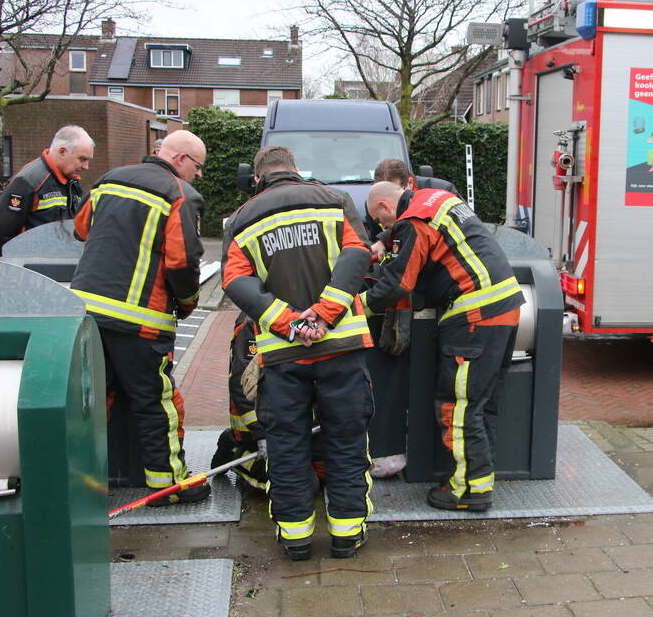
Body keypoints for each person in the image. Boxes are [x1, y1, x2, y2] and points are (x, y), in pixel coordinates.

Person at [222, 145, 374, 561]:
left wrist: (289, 322)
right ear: (295, 170)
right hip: (341, 348)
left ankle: (296, 539)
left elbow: (234, 281)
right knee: (345, 442)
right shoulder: (334, 200)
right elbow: (358, 253)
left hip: (283, 358)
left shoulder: (241, 219)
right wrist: (324, 315)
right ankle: (346, 535)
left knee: (287, 447)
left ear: (258, 177)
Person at [362, 181, 524, 512]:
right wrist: (384, 242)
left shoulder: (414, 221)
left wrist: (351, 306)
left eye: (381, 223)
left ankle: (466, 491)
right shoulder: (439, 200)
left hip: (474, 314)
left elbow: (397, 284)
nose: (385, 229)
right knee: (481, 405)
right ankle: (479, 481)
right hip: (505, 305)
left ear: (383, 207)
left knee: (458, 406)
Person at [70, 130, 209, 505]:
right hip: (140, 322)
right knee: (154, 401)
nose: (198, 175)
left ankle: (80, 481)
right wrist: (188, 303)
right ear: (180, 159)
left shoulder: (107, 181)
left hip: (85, 314)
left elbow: (81, 228)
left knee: (92, 401)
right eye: (198, 167)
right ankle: (167, 484)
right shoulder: (180, 195)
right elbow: (182, 262)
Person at [0, 125, 93, 256]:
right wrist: (24, 264)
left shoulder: (71, 180)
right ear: (62, 152)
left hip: (59, 263)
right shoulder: (29, 181)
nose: (86, 167)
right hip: (36, 268)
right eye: (82, 159)